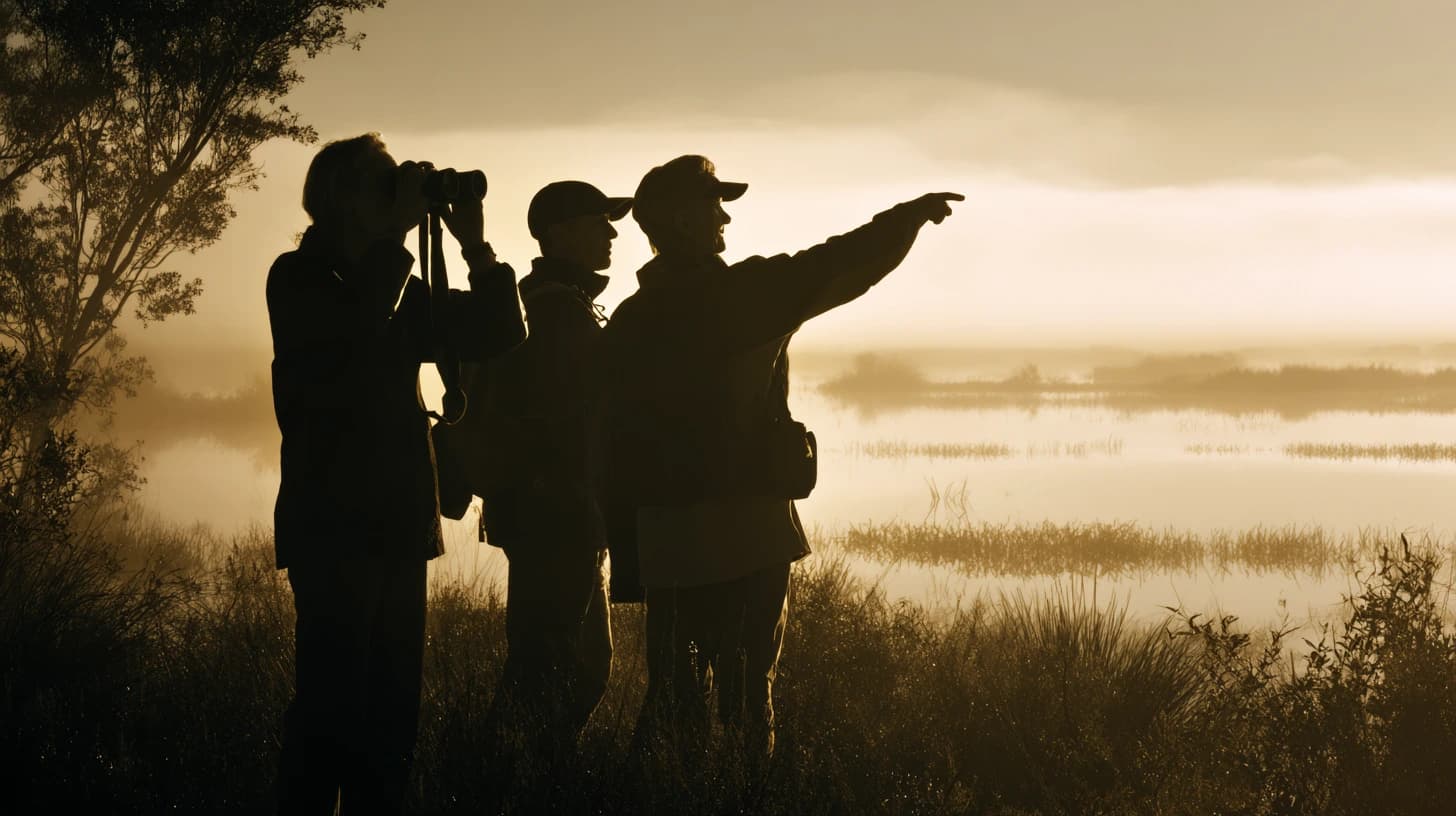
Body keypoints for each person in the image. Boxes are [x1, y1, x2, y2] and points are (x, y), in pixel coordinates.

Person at [600, 154, 960, 768]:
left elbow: (610, 443)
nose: (725, 219)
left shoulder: (630, 320)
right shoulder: (742, 297)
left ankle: (657, 796)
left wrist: (629, 550)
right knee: (746, 698)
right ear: (685, 220)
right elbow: (838, 266)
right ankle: (747, 794)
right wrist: (904, 221)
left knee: (672, 696)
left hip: (666, 538)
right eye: (716, 206)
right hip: (747, 531)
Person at [266, 132, 524, 815]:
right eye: (385, 182)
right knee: (329, 714)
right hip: (334, 526)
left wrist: (473, 244)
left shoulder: (399, 284)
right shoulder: (298, 277)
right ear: (344, 199)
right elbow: (350, 336)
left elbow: (501, 333)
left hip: (401, 526)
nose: (399, 194)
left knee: (390, 723)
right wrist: (401, 239)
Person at [436, 180, 633, 784]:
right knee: (546, 666)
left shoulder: (557, 306)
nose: (612, 232)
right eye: (600, 220)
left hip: (557, 516)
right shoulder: (555, 315)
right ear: (562, 232)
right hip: (555, 519)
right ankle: (503, 777)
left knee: (576, 664)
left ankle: (531, 771)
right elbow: (564, 423)